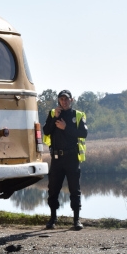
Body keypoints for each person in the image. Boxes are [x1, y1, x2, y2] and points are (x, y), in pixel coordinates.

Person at [42, 90, 88, 230]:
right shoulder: (52, 113)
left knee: (75, 189)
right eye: (61, 99)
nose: (64, 101)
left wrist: (66, 127)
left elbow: (83, 133)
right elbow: (46, 131)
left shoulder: (77, 115)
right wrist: (54, 117)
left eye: (66, 99)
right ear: (58, 101)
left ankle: (76, 220)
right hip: (56, 158)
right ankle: (52, 218)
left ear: (71, 100)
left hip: (72, 158)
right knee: (53, 189)